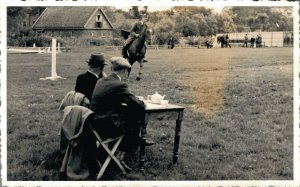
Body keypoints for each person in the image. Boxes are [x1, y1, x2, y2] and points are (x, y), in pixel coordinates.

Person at [90, 57, 154, 168]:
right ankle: (123, 153)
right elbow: (138, 104)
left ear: (111, 68)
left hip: (93, 124)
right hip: (105, 128)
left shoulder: (100, 80)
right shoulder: (120, 85)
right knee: (135, 117)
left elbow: (111, 99)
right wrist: (141, 102)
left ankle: (134, 142)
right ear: (125, 71)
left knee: (130, 113)